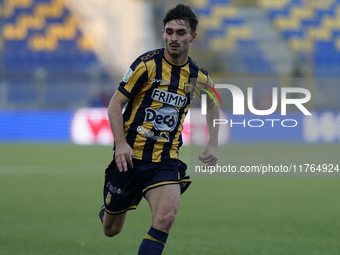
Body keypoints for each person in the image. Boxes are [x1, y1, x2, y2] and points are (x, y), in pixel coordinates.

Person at [99, 3, 220, 254]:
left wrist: (213, 142)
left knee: (165, 219)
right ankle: (112, 207)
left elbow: (213, 105)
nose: (173, 38)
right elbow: (114, 104)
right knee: (111, 229)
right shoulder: (146, 65)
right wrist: (120, 144)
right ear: (163, 33)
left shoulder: (199, 76)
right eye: (169, 32)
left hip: (166, 160)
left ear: (192, 37)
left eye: (180, 33)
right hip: (130, 159)